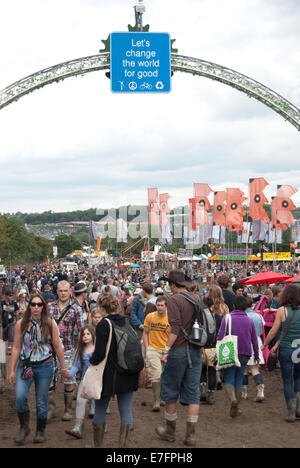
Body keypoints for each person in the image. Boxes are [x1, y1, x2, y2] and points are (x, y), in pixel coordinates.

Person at [8, 294, 70, 445]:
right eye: (33, 304)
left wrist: (63, 367)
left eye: (39, 304)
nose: (36, 307)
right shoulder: (21, 324)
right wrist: (11, 370)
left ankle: (40, 431)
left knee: (42, 401)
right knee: (20, 396)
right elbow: (16, 347)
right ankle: (24, 427)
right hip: (25, 365)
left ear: (43, 307)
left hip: (45, 365)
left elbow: (57, 346)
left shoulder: (50, 323)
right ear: (29, 306)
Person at [155, 270, 202, 447]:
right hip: (195, 350)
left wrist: (165, 350)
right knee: (193, 392)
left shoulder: (174, 300)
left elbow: (175, 328)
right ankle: (191, 436)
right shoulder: (196, 297)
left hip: (179, 351)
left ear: (173, 285)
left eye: (169, 284)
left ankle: (170, 432)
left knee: (170, 390)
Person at [89, 294, 140, 448]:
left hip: (109, 374)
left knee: (100, 409)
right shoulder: (127, 321)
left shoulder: (104, 324)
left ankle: (97, 445)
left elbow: (99, 353)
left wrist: (91, 362)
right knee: (126, 410)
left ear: (102, 308)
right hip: (129, 372)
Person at [261, 285, 300, 422]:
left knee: (288, 380)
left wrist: (265, 345)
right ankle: (299, 408)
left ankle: (291, 412)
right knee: (298, 378)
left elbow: (273, 331)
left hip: (286, 350)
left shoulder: (282, 310)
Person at [47, 280, 84, 421]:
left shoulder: (76, 309)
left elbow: (81, 330)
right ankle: (51, 409)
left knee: (68, 378)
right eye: (60, 291)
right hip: (50, 349)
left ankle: (68, 410)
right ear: (57, 292)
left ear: (70, 291)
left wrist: (77, 350)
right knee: (49, 378)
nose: (63, 293)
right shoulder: (49, 307)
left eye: (65, 291)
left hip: (68, 348)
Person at [217, 295, 259, 418]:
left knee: (229, 378)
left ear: (234, 306)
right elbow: (254, 341)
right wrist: (256, 355)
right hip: (245, 353)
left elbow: (220, 336)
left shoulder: (227, 318)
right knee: (239, 380)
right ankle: (236, 408)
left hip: (230, 351)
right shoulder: (249, 321)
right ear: (246, 307)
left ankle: (233, 400)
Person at [65, 325, 96, 439]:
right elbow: (76, 365)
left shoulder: (98, 349)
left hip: (97, 380)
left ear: (93, 335)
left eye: (88, 334)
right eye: (83, 334)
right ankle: (77, 427)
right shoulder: (81, 350)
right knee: (80, 401)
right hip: (85, 379)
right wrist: (69, 375)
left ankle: (100, 425)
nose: (85, 336)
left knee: (99, 403)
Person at [200, 285, 229, 404]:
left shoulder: (206, 306)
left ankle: (202, 389)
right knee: (212, 369)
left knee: (202, 368)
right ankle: (211, 395)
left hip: (205, 339)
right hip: (218, 341)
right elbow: (228, 323)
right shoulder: (224, 307)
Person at [143, 296, 171, 412]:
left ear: (166, 306)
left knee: (165, 375)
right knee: (156, 375)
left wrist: (168, 350)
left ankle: (163, 397)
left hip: (166, 350)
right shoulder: (150, 317)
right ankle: (156, 401)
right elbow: (145, 332)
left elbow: (173, 335)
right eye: (158, 305)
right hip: (153, 349)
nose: (159, 308)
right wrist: (147, 347)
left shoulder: (170, 318)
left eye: (161, 305)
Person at [242, 295, 266, 402]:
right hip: (256, 341)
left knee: (244, 369)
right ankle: (260, 390)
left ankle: (244, 392)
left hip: (244, 342)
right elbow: (261, 331)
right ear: (252, 304)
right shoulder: (259, 316)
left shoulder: (242, 317)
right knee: (255, 369)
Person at [1, 289, 19, 354]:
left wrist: (17, 321)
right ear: (5, 296)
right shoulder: (2, 303)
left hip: (11, 322)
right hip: (4, 323)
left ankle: (9, 349)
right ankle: (3, 349)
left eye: (11, 295)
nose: (11, 296)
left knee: (11, 336)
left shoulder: (14, 303)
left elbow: (16, 311)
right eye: (9, 295)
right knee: (4, 338)